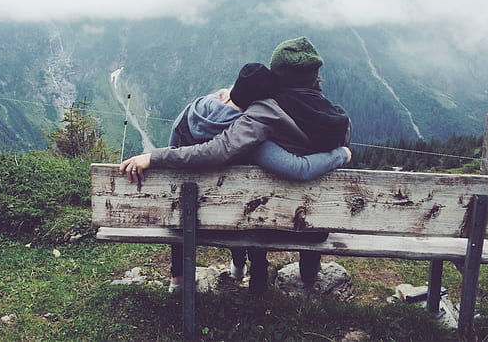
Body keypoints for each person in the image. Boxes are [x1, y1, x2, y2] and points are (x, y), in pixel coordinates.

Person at [120, 37, 351, 292]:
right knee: (302, 205)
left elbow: (220, 150)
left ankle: (234, 273)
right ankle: (307, 275)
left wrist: (155, 156)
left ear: (278, 77)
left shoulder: (265, 112)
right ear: (314, 76)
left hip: (260, 223)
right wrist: (340, 154)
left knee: (251, 208)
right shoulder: (337, 118)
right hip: (313, 226)